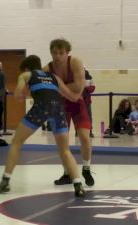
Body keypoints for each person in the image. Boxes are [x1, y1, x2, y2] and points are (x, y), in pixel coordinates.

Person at [0, 55, 86, 197]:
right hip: (58, 109)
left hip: (41, 108)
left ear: (26, 67)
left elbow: (18, 95)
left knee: (16, 143)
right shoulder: (54, 77)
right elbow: (73, 97)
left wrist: (26, 93)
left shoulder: (26, 74)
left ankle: (5, 180)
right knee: (65, 150)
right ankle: (78, 185)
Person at [44, 38, 94, 186]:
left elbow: (79, 88)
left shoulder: (75, 62)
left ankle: (86, 168)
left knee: (84, 137)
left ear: (67, 53)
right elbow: (41, 88)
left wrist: (57, 86)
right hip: (60, 106)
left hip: (77, 103)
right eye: (54, 53)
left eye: (61, 53)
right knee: (62, 143)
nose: (57, 56)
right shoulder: (47, 69)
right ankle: (67, 173)